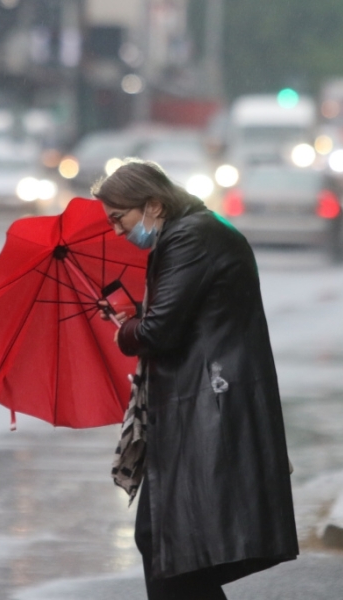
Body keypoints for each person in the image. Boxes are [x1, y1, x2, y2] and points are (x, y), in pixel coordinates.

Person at [93, 160, 298, 600]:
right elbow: (182, 318)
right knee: (175, 550)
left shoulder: (189, 237)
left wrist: (126, 330)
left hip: (209, 408)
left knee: (174, 550)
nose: (116, 232)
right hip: (202, 403)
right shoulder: (190, 233)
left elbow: (159, 332)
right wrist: (134, 320)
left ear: (151, 204)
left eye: (118, 219)